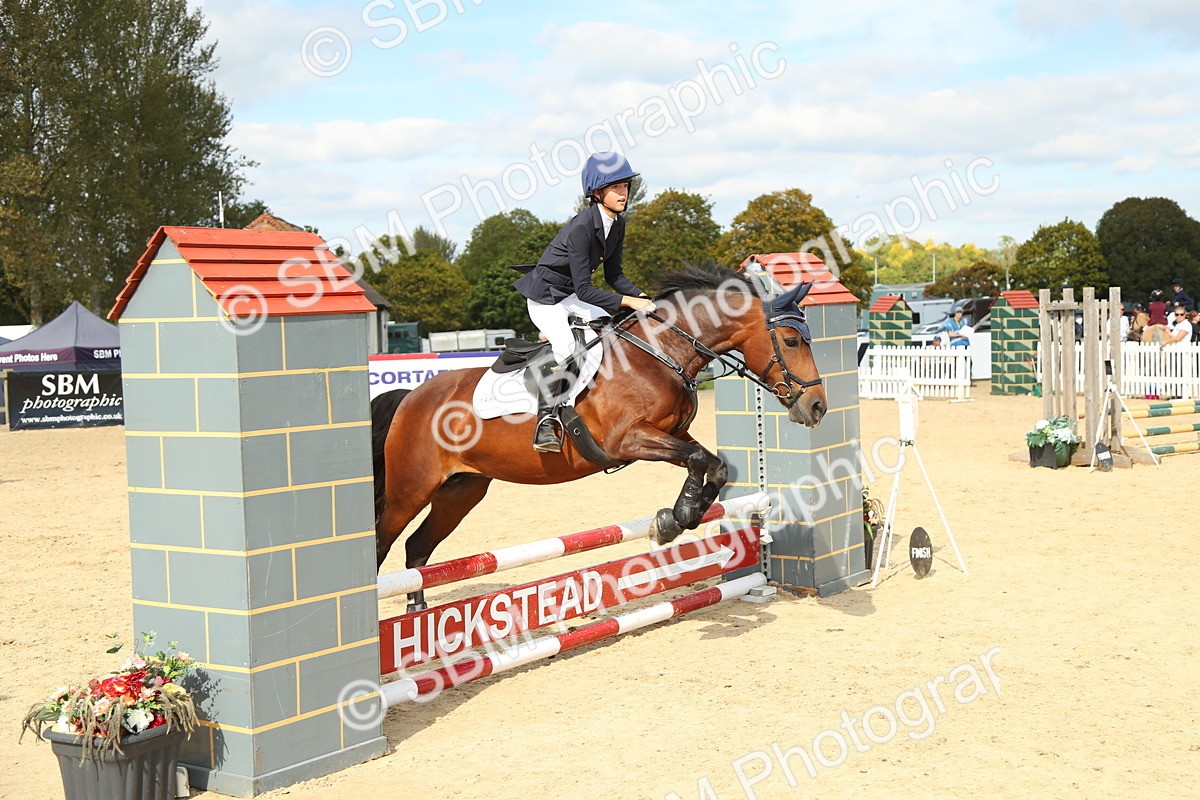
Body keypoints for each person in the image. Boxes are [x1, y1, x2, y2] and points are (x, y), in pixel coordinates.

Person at [513, 151, 654, 452]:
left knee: (611, 330)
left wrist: (643, 297)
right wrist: (629, 302)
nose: (623, 193)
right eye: (615, 187)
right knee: (568, 347)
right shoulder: (581, 228)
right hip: (546, 298)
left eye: (625, 186)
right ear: (597, 192)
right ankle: (547, 420)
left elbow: (615, 275)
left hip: (571, 296)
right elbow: (586, 290)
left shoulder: (617, 224)